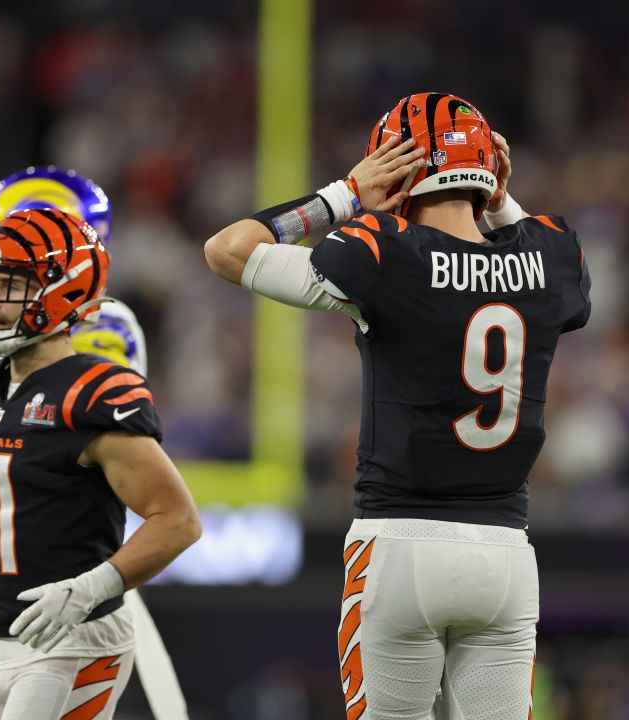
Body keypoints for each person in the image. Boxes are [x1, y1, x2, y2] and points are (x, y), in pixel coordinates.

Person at [204, 92, 591, 719]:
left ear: (400, 171)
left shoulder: (382, 249)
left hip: (399, 543)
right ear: (490, 169)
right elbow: (530, 258)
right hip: (505, 557)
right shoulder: (551, 254)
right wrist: (497, 198)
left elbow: (227, 248)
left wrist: (344, 195)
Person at [0, 208, 201, 719]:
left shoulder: (92, 394)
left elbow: (179, 521)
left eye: (11, 283)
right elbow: (5, 515)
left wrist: (88, 589)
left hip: (75, 641)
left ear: (65, 290)